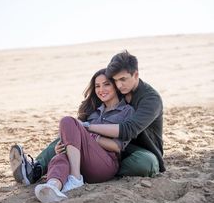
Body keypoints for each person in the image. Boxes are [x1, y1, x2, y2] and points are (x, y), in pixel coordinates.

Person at [10, 50, 165, 187]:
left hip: (137, 148)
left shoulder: (150, 99)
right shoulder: (118, 90)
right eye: (115, 80)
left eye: (122, 79)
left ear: (136, 74)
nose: (118, 85)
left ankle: (103, 170)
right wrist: (76, 134)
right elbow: (79, 127)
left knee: (147, 163)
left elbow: (127, 130)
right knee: (71, 131)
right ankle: (36, 169)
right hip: (105, 143)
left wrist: (87, 128)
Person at [11, 68, 135, 203]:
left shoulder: (126, 111)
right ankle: (53, 186)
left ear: (115, 86)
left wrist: (91, 137)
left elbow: (117, 147)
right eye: (97, 86)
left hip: (105, 165)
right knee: (61, 156)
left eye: (106, 84)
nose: (101, 89)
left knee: (68, 121)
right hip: (84, 164)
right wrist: (63, 147)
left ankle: (75, 178)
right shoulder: (92, 112)